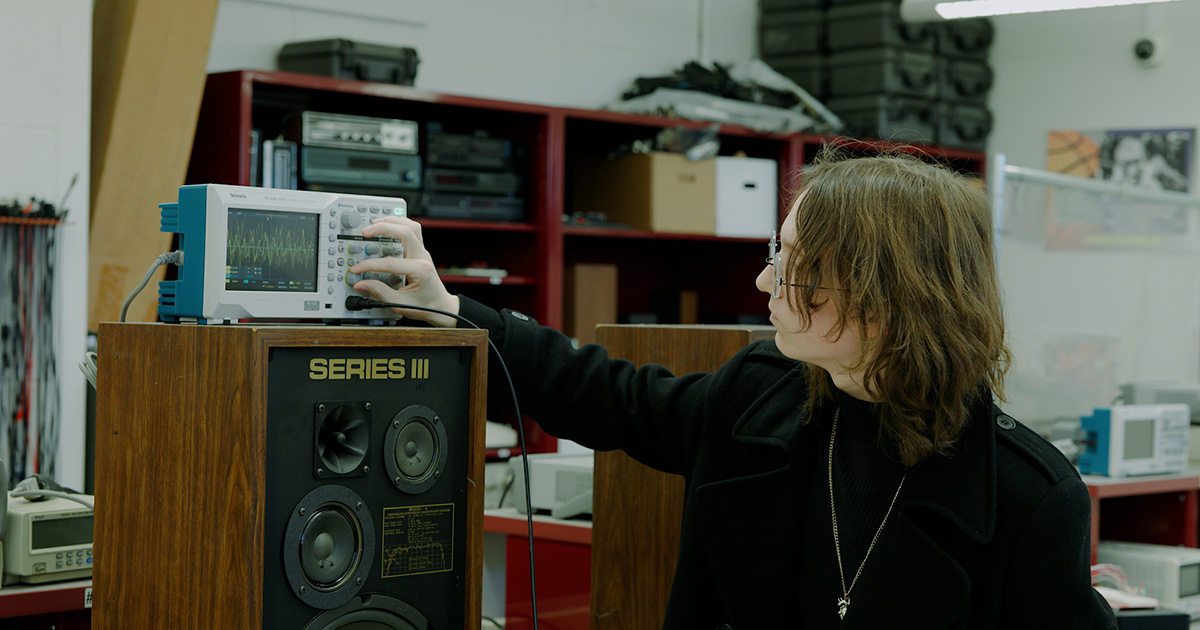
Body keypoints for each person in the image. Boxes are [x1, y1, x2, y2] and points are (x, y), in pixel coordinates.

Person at [350, 147, 1118, 629]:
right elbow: (602, 393)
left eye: (791, 267)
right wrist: (445, 310)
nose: (763, 281)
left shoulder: (1029, 495)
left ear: (885, 298)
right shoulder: (761, 396)